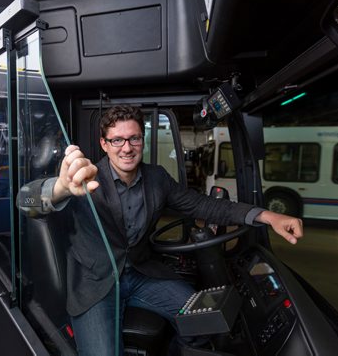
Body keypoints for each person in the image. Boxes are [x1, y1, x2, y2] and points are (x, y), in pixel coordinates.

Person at [20, 105, 303, 356]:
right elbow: (24, 200)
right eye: (117, 140)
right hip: (96, 283)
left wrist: (266, 215)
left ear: (142, 140)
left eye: (133, 138)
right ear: (104, 144)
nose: (127, 148)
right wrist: (58, 189)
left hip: (141, 275)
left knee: (202, 322)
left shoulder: (157, 179)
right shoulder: (86, 178)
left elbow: (203, 206)